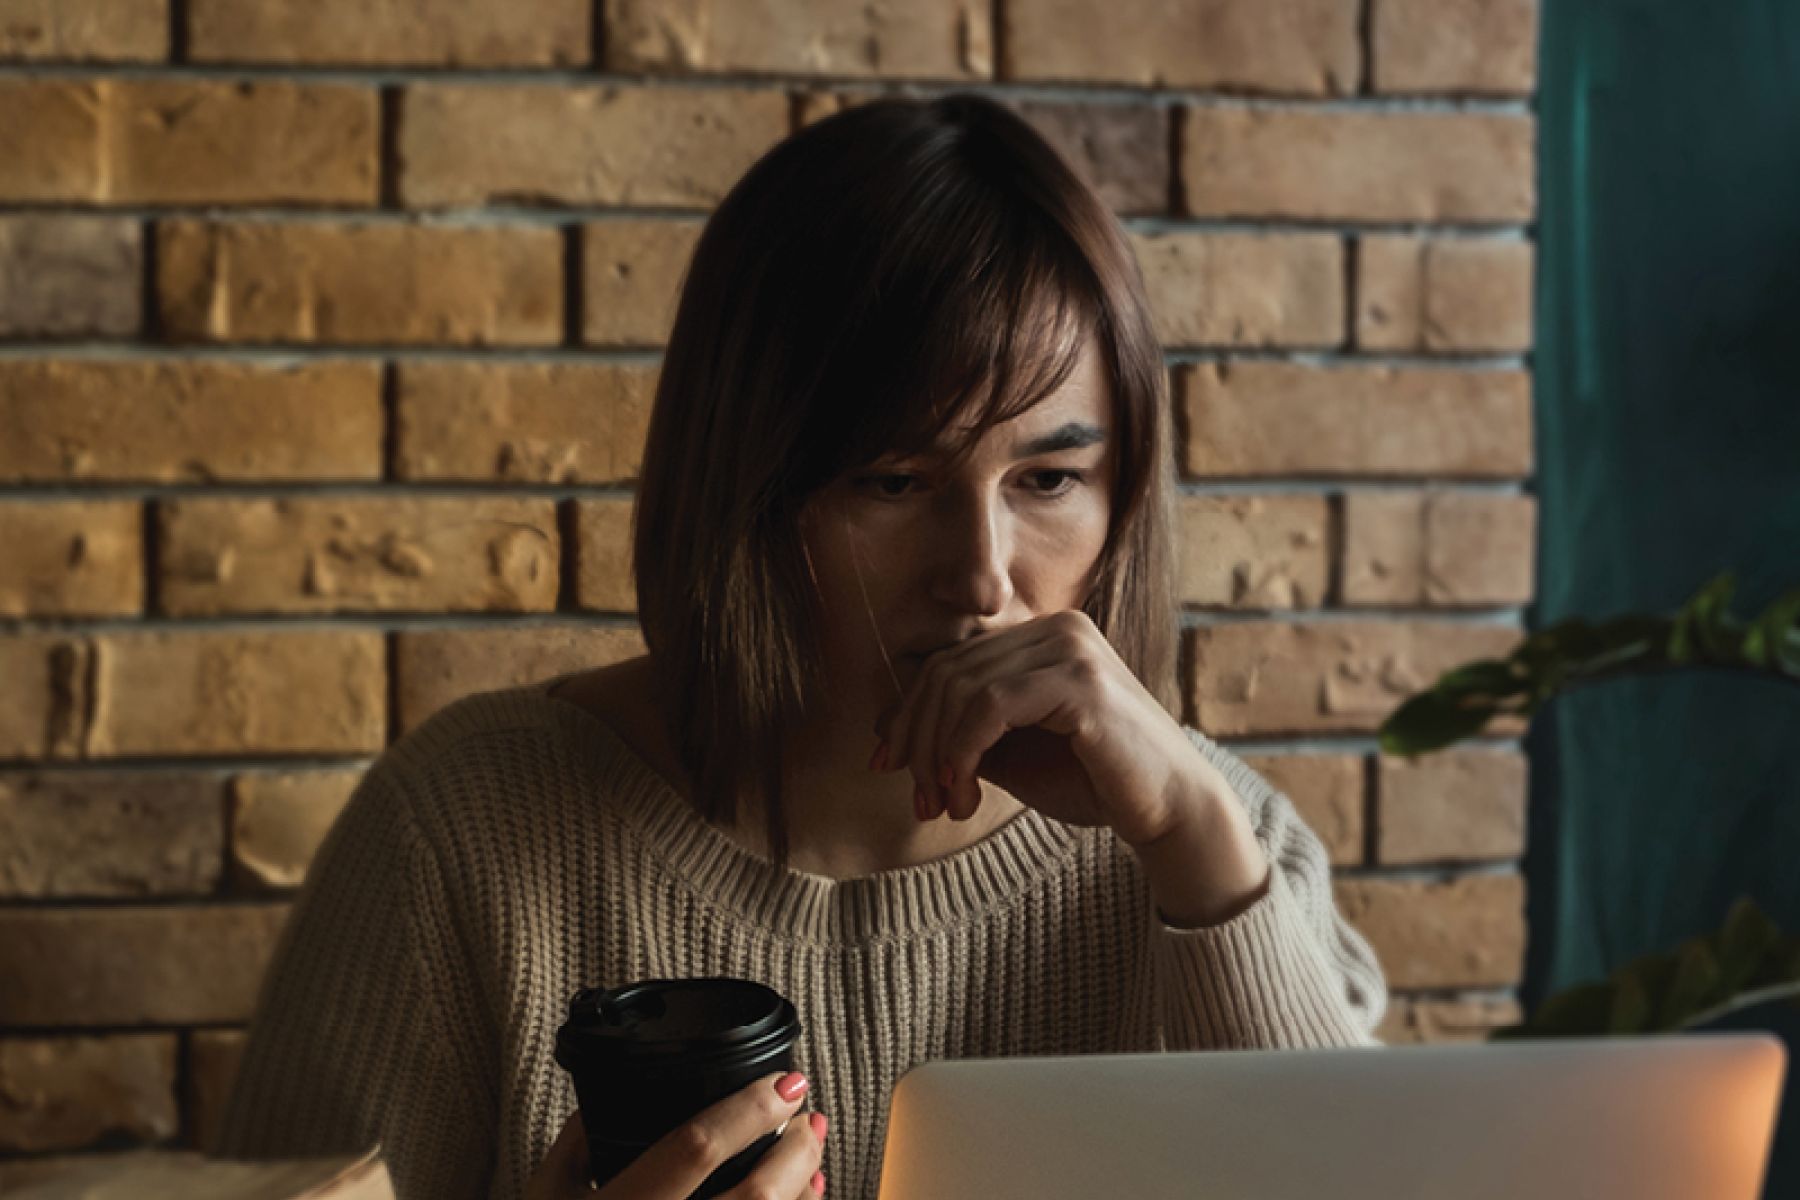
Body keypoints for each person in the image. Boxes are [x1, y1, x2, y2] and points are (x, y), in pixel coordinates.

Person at [213, 93, 1388, 1200]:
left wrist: (1201, 854)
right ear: (747, 486)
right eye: (893, 479)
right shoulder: (465, 836)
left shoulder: (1218, 845)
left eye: (1049, 478)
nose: (981, 575)